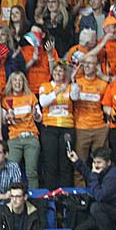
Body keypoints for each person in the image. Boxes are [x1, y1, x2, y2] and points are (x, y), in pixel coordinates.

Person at [68, 147, 116, 230]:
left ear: (108, 162)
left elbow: (100, 196)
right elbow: (91, 176)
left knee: (96, 207)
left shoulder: (113, 176)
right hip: (106, 215)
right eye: (94, 162)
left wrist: (94, 175)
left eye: (99, 162)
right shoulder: (103, 171)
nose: (96, 165)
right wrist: (77, 162)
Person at [70, 54, 108, 186]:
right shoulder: (77, 82)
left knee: (101, 164)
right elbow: (72, 98)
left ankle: (101, 190)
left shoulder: (103, 84)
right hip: (81, 128)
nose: (86, 65)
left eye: (90, 63)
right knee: (79, 163)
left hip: (99, 128)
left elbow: (107, 105)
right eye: (85, 63)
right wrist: (73, 81)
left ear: (97, 66)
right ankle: (81, 193)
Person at [2, 72, 42, 189]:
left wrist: (35, 115)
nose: (17, 83)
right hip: (14, 138)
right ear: (11, 83)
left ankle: (34, 197)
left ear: (24, 83)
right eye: (15, 80)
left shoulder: (31, 97)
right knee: (11, 171)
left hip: (31, 136)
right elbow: (4, 121)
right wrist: (8, 117)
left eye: (20, 80)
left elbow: (39, 118)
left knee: (31, 172)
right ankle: (12, 196)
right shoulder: (6, 100)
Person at [39, 61, 75, 189]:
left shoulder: (69, 87)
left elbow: (75, 97)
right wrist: (58, 90)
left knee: (66, 162)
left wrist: (73, 81)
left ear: (65, 73)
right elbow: (43, 102)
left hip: (66, 127)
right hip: (49, 127)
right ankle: (51, 194)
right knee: (51, 162)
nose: (57, 73)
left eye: (60, 71)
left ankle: (66, 194)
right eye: (55, 70)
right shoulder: (45, 86)